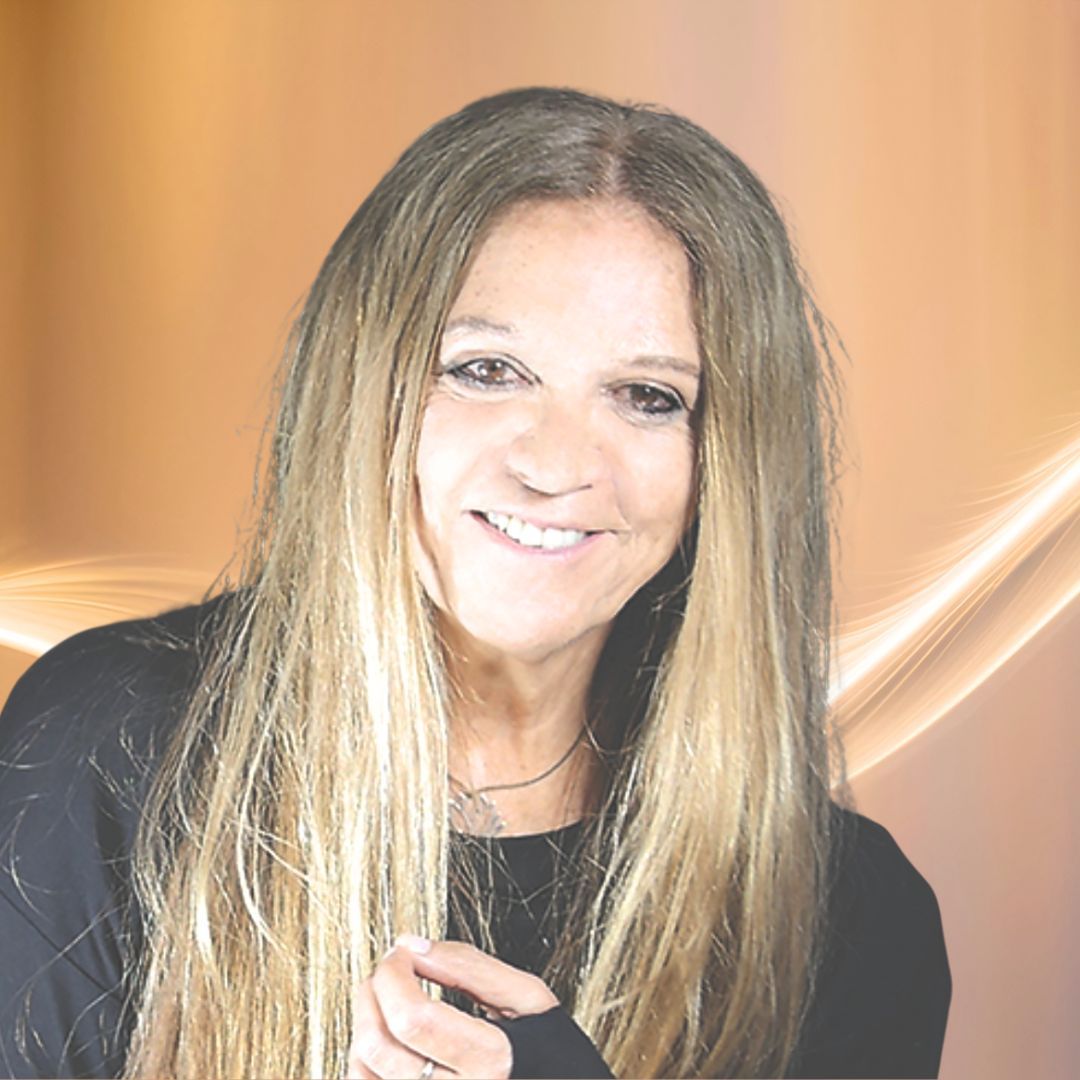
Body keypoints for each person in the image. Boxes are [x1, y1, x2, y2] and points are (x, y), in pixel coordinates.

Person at [0, 87, 951, 1078]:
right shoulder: (107, 749)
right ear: (366, 387)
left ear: (727, 465)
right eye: (487, 370)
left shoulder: (850, 921)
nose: (555, 464)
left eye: (648, 397)